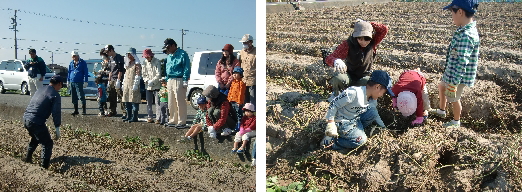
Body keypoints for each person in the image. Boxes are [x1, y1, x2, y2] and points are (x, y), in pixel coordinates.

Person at [430, 0, 480, 128]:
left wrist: (454, 83)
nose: (451, 16)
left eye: (452, 13)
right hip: (451, 71)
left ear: (460, 12)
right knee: (441, 86)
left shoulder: (466, 35)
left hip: (457, 76)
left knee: (453, 98)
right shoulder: (463, 29)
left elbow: (462, 62)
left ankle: (456, 121)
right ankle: (442, 111)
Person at [321, 70, 393, 150]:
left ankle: (355, 131)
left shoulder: (372, 99)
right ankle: (332, 142)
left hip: (354, 119)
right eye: (384, 92)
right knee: (361, 141)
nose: (382, 95)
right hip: (342, 122)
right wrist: (330, 123)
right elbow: (333, 104)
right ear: (377, 87)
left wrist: (384, 128)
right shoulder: (353, 93)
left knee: (372, 112)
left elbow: (375, 115)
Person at [324, 19, 388, 101]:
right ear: (355, 36)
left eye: (366, 39)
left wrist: (367, 24)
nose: (363, 42)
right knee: (338, 78)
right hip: (349, 75)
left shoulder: (373, 42)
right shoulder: (348, 44)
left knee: (371, 83)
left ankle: (359, 99)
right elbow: (329, 58)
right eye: (360, 38)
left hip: (363, 77)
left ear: (371, 37)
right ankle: (337, 96)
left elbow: (384, 29)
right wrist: (335, 61)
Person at [22, 75, 63, 169]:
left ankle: (27, 157)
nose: (60, 88)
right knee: (47, 143)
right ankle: (44, 167)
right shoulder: (55, 94)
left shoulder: (40, 89)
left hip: (26, 118)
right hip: (36, 121)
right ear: (59, 84)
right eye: (61, 86)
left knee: (36, 138)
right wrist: (57, 127)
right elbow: (56, 112)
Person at [163, 38, 191, 128]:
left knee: (180, 101)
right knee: (171, 101)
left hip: (179, 79)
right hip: (170, 79)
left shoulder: (182, 54)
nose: (167, 50)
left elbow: (186, 67)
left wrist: (185, 79)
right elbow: (167, 68)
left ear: (173, 45)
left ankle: (181, 121)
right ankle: (173, 120)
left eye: (168, 47)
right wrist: (166, 79)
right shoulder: (169, 56)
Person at [104, 45, 126, 117]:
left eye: (107, 52)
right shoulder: (110, 59)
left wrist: (119, 81)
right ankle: (113, 111)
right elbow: (110, 70)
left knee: (121, 96)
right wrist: (109, 80)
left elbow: (120, 70)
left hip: (118, 79)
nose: (107, 53)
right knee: (111, 96)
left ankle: (124, 112)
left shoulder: (119, 57)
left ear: (111, 50)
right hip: (112, 79)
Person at [141, 48, 162, 123]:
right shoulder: (144, 62)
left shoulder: (157, 61)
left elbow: (158, 74)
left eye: (147, 56)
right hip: (148, 85)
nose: (146, 57)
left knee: (157, 102)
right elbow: (143, 74)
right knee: (148, 102)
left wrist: (152, 82)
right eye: (145, 56)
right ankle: (150, 117)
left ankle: (158, 118)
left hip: (156, 85)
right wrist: (147, 80)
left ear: (151, 55)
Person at [121, 48, 142, 123]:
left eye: (130, 54)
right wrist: (123, 83)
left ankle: (134, 116)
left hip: (133, 84)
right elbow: (125, 74)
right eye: (128, 55)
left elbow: (138, 74)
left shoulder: (137, 64)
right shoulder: (127, 64)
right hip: (127, 84)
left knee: (134, 100)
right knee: (127, 100)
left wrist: (136, 84)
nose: (129, 56)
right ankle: (128, 116)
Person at [67, 51, 89, 116]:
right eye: (73, 56)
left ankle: (83, 110)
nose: (74, 57)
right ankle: (76, 110)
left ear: (77, 56)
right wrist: (68, 80)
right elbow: (69, 72)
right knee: (73, 96)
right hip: (72, 81)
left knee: (81, 95)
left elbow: (86, 72)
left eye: (75, 56)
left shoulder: (82, 63)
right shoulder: (71, 63)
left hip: (79, 81)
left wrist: (86, 81)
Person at [239, 34, 256, 106]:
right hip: (244, 80)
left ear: (250, 42)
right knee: (245, 102)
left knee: (253, 102)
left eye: (245, 43)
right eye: (243, 43)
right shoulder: (242, 52)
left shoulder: (256, 52)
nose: (244, 44)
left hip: (253, 81)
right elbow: (239, 64)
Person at [227, 67, 247, 132]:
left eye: (236, 73)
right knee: (234, 113)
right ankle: (236, 124)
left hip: (238, 102)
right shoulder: (233, 82)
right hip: (232, 100)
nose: (234, 75)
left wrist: (239, 102)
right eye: (234, 73)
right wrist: (229, 98)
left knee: (239, 113)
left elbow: (241, 94)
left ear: (240, 75)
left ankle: (240, 125)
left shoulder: (241, 83)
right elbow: (230, 91)